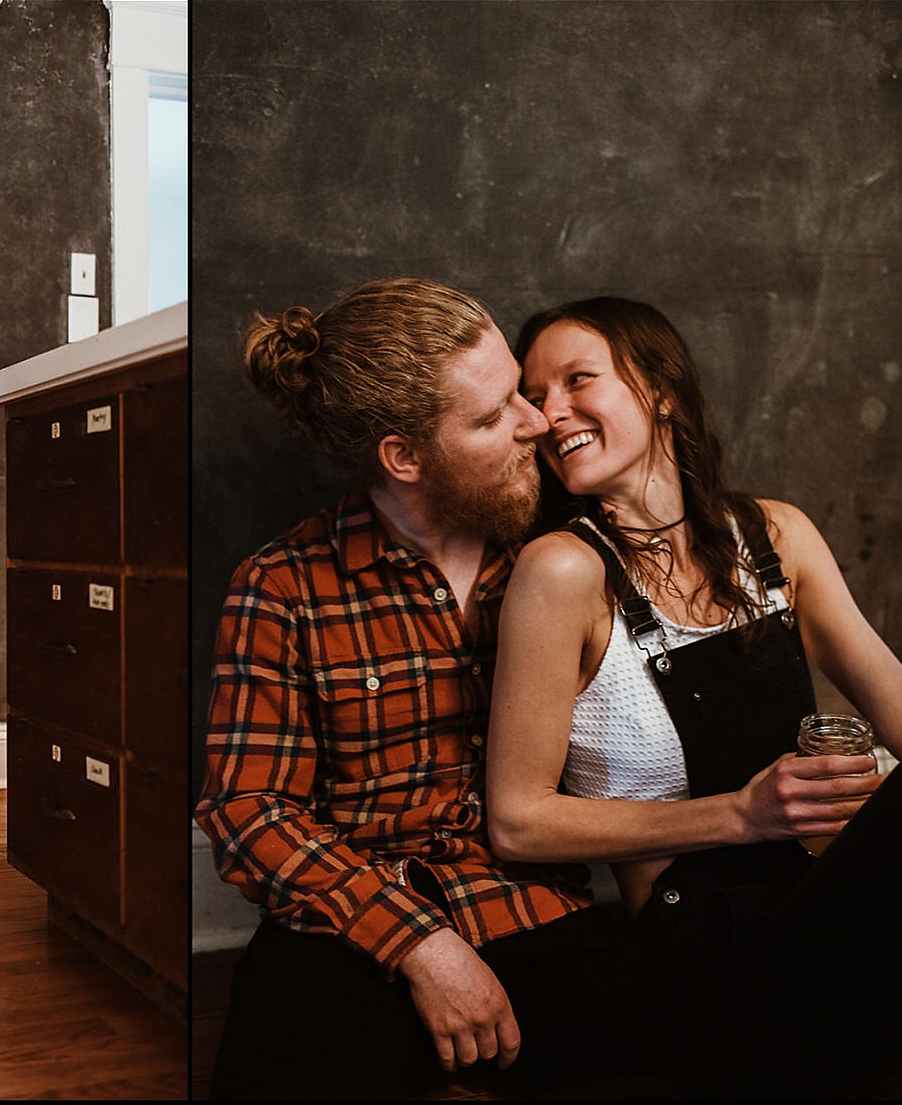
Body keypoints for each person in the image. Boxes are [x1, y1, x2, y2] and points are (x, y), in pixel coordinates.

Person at [196, 278, 697, 1100]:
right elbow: (248, 811)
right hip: (348, 924)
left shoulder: (562, 561)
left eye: (522, 394)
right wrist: (418, 944)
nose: (539, 422)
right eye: (497, 414)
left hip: (534, 909)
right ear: (404, 456)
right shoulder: (281, 585)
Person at [486, 296, 902, 1093]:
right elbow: (516, 820)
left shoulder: (776, 536)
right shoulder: (562, 570)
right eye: (535, 395)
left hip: (834, 889)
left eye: (577, 381)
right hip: (709, 938)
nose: (550, 414)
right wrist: (744, 814)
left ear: (660, 387)